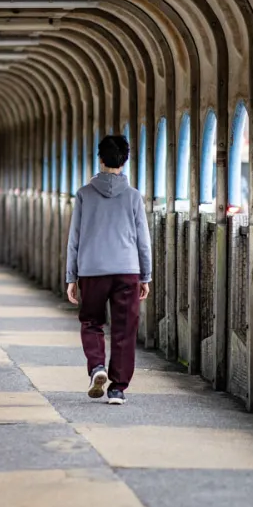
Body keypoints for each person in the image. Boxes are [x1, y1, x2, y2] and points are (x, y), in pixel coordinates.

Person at [65, 135, 152, 405]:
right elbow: (143, 240)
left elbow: (74, 239)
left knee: (91, 321)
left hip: (91, 270)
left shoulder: (84, 194)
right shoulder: (134, 197)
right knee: (125, 328)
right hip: (127, 270)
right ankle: (117, 389)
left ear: (100, 158)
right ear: (125, 161)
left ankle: (97, 367)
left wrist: (71, 276)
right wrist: (146, 275)